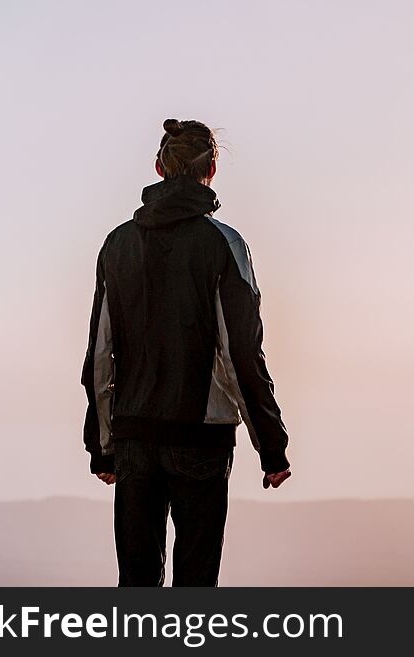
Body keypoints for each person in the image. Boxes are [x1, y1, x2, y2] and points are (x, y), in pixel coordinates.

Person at [80, 118, 292, 587]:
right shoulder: (223, 243)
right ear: (212, 168)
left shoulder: (117, 244)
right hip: (201, 440)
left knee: (136, 586)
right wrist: (270, 444)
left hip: (134, 438)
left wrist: (103, 445)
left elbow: (99, 353)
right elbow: (241, 353)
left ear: (159, 167)